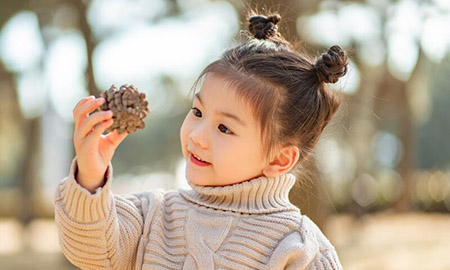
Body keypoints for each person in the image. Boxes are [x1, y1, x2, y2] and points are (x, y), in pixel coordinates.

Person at [54, 12, 347, 270]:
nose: (196, 135)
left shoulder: (301, 250)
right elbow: (92, 251)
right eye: (197, 112)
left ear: (280, 159)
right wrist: (90, 176)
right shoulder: (153, 214)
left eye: (224, 128)